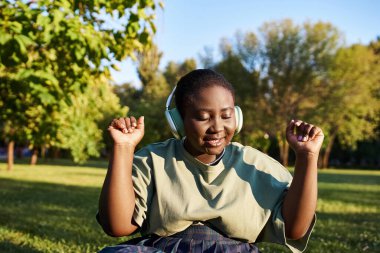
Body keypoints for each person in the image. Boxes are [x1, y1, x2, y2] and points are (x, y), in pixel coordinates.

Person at [97, 69, 324, 253]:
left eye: (226, 116)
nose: (217, 127)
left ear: (237, 116)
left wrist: (307, 156)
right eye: (203, 117)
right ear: (178, 121)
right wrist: (123, 148)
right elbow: (117, 225)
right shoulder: (153, 160)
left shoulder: (255, 163)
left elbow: (295, 229)